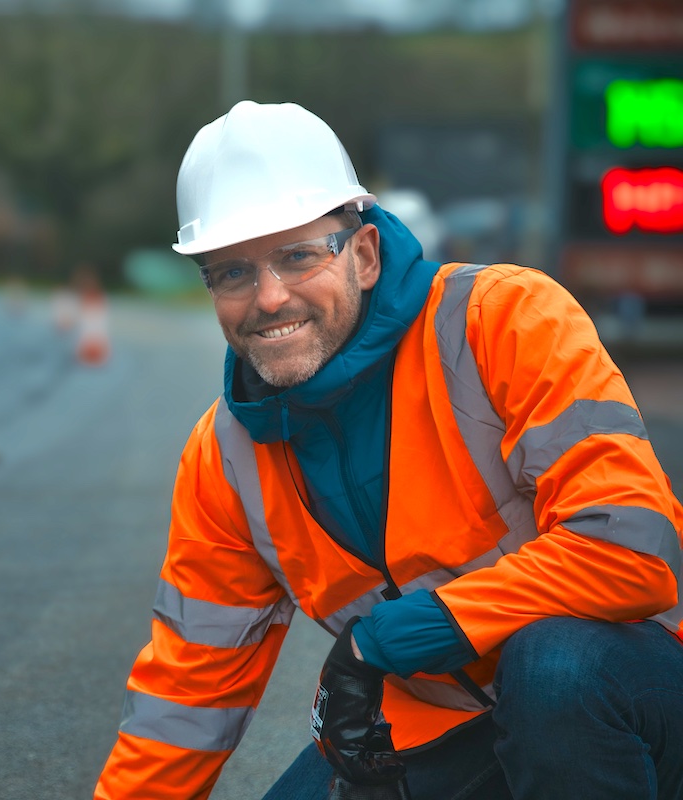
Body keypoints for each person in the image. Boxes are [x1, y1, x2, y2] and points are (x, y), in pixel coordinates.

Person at [92, 101, 683, 800]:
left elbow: (634, 550)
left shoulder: (503, 320)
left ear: (364, 255)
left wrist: (390, 638)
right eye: (232, 272)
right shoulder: (224, 456)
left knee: (554, 668)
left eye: (297, 256)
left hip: (626, 698)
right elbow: (186, 697)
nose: (270, 297)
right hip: (438, 726)